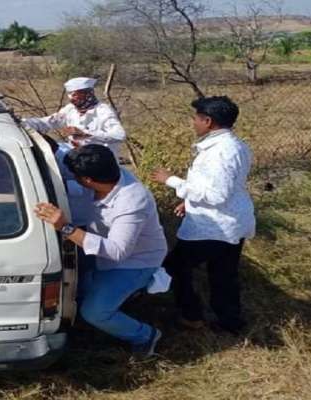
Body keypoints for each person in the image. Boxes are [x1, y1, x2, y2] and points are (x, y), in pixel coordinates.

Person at [34, 144, 169, 356]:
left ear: (88, 180)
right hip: (98, 248)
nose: (71, 177)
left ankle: (145, 335)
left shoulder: (132, 202)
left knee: (94, 312)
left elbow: (117, 251)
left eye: (75, 176)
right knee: (77, 291)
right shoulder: (104, 178)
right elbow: (62, 156)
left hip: (134, 262)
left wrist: (65, 227)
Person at [151, 95, 255, 335]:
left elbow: (217, 195)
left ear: (208, 121)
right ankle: (230, 322)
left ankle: (191, 315)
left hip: (215, 226)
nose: (193, 122)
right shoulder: (234, 144)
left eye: (196, 118)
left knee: (175, 266)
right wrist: (188, 201)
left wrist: (172, 180)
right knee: (223, 274)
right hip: (230, 220)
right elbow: (220, 187)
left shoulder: (221, 152)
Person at [23, 77, 126, 156]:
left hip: (99, 161)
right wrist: (23, 123)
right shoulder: (70, 109)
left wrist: (86, 134)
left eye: (75, 95)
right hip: (76, 156)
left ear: (88, 94)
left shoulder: (103, 111)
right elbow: (49, 122)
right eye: (70, 95)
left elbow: (119, 135)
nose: (71, 99)